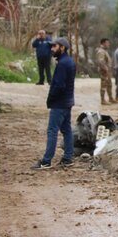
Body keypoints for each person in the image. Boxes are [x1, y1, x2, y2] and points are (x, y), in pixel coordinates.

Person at [31, 38, 76, 170]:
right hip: (67, 102)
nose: (52, 49)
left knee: (52, 131)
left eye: (54, 46)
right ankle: (68, 158)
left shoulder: (62, 64)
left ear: (62, 48)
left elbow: (59, 85)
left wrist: (51, 98)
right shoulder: (69, 61)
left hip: (60, 103)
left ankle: (46, 161)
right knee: (67, 130)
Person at [96, 38, 116, 105]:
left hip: (107, 71)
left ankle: (110, 98)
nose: (108, 44)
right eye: (107, 43)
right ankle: (103, 100)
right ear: (103, 43)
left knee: (109, 85)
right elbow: (101, 61)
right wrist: (105, 69)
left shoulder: (105, 51)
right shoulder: (101, 51)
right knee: (103, 86)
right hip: (104, 71)